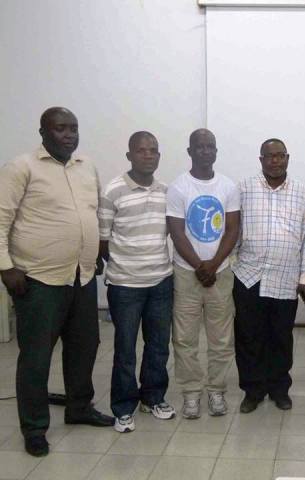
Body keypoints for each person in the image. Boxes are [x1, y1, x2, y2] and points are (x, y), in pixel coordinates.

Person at [0, 107, 114, 457]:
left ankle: (79, 408)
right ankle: (34, 427)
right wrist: (5, 267)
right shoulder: (21, 167)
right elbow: (1, 219)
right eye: (61, 128)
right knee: (36, 357)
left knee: (85, 346)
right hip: (38, 279)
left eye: (73, 128)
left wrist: (94, 250)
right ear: (43, 132)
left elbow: (92, 213)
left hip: (82, 275)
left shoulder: (86, 166)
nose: (69, 135)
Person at [99, 131, 175, 433]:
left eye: (153, 150)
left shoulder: (166, 191)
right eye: (141, 150)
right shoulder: (113, 191)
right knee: (125, 349)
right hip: (125, 286)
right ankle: (123, 407)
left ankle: (153, 398)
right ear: (129, 155)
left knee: (158, 346)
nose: (148, 155)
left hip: (160, 282)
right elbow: (103, 240)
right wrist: (125, 266)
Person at [233, 138, 305, 413]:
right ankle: (253, 390)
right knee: (249, 336)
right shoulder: (244, 189)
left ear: (288, 158)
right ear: (261, 160)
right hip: (248, 275)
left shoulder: (303, 193)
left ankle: (279, 389)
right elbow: (233, 231)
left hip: (285, 278)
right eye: (270, 156)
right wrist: (231, 267)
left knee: (281, 337)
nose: (275, 161)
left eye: (280, 156)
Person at [166, 128, 240, 419]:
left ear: (216, 151)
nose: (205, 151)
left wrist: (213, 264)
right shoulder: (178, 187)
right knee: (185, 338)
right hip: (187, 273)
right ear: (190, 151)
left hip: (220, 273)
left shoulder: (228, 186)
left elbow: (232, 229)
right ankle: (191, 393)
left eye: (210, 146)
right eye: (200, 146)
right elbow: (176, 231)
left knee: (221, 339)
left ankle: (216, 390)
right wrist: (199, 265)